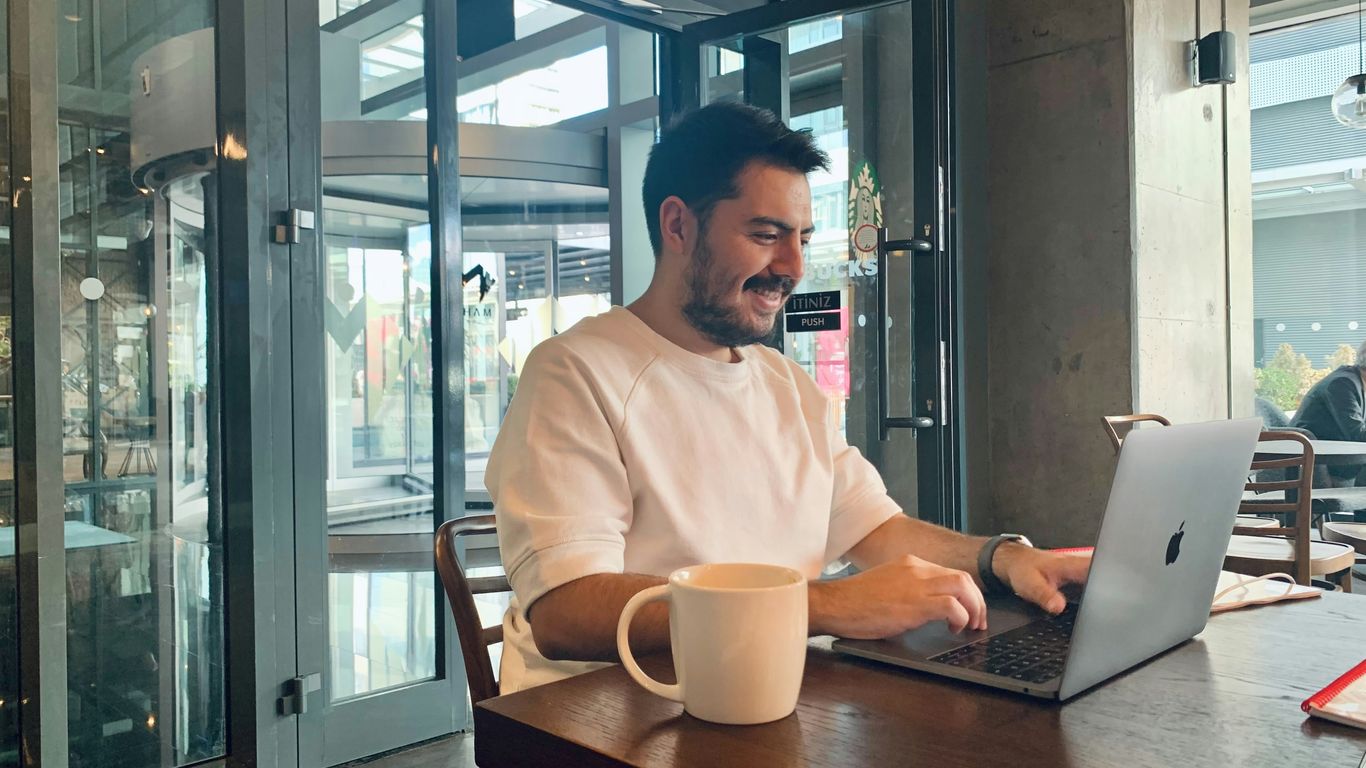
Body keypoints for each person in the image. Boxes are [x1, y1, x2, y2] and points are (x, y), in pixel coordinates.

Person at [485, 102, 1091, 693]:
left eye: (801, 237)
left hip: (762, 693)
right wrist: (821, 605)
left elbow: (878, 530)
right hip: (607, 720)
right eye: (766, 235)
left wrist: (1003, 560)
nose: (794, 265)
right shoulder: (575, 373)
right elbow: (564, 609)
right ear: (677, 225)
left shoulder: (786, 384)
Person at [1292, 339, 1366, 484]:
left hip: (1340, 456)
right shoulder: (1342, 384)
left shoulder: (1356, 382)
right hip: (1317, 462)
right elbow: (1357, 434)